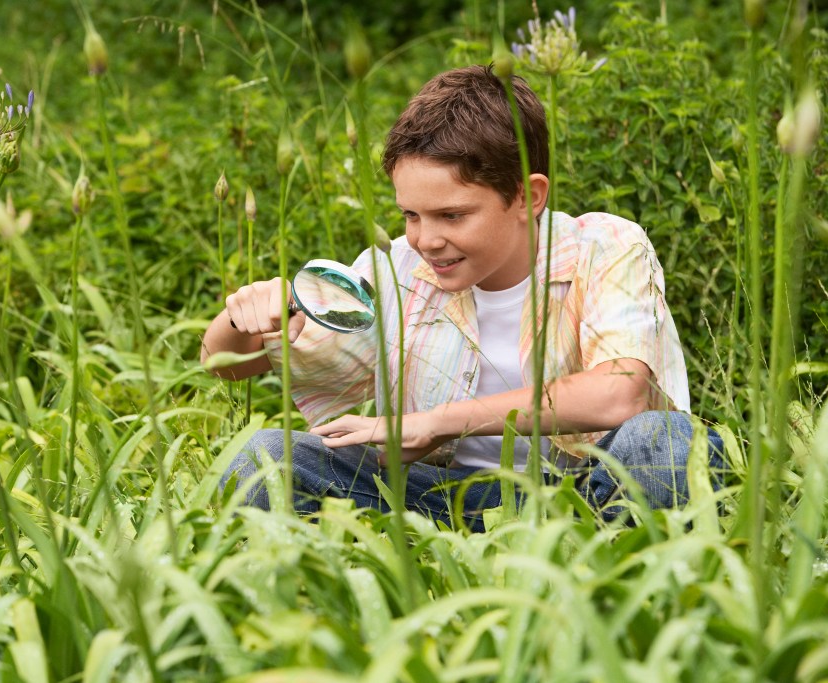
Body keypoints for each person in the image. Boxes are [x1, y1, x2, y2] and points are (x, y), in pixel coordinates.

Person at [201, 64, 724, 530]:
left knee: (662, 442)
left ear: (527, 196)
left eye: (452, 216)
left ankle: (621, 583)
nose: (426, 239)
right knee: (264, 456)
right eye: (411, 215)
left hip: (586, 493)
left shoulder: (606, 245)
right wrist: (244, 319)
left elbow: (619, 394)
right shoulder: (396, 268)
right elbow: (223, 365)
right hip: (439, 502)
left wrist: (435, 422)